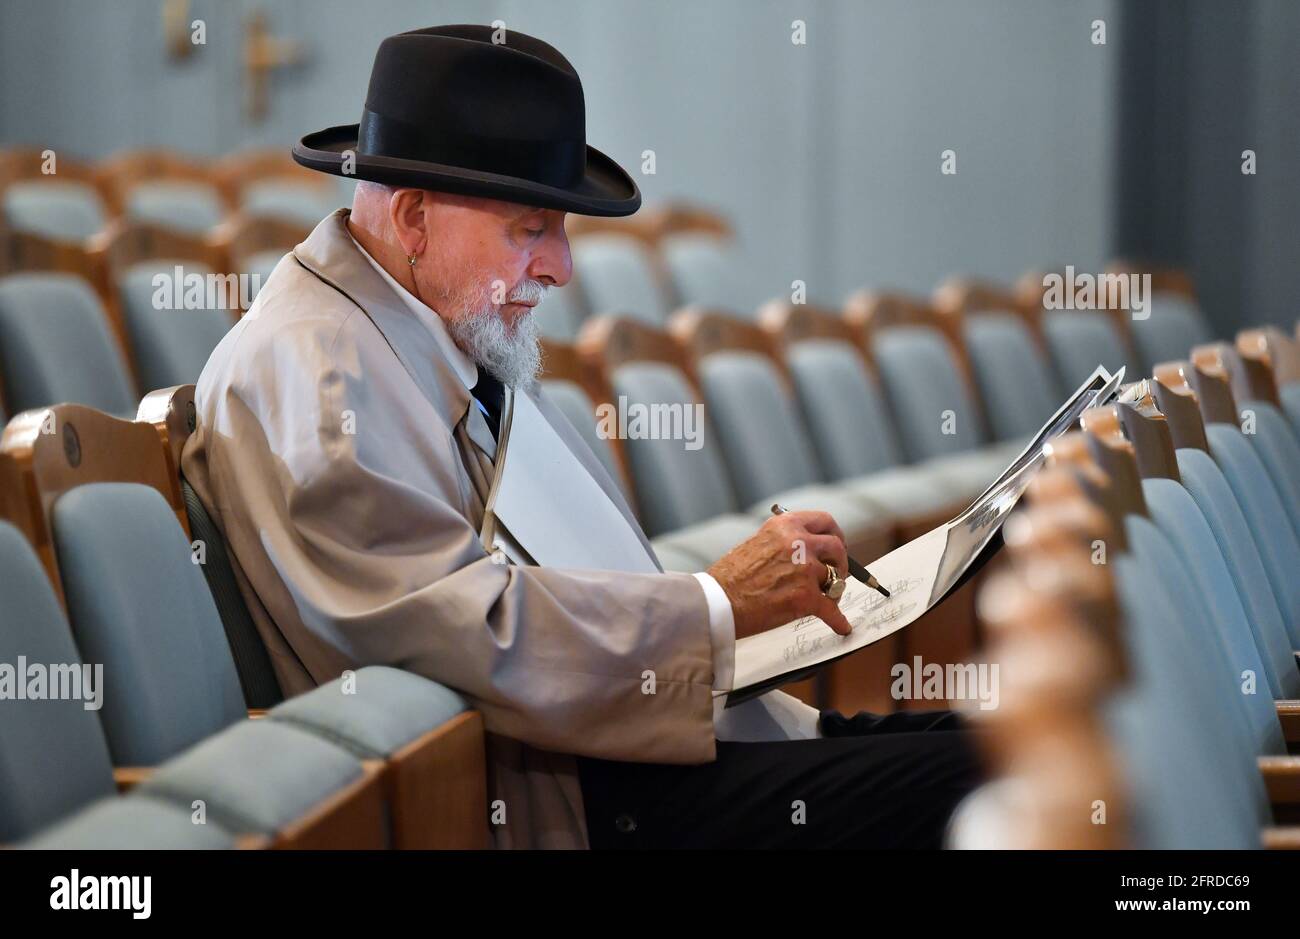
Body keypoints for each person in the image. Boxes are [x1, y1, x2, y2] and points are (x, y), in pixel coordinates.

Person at [182, 23, 981, 849]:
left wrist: (726, 608)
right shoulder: (314, 372)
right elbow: (457, 631)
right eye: (531, 228)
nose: (561, 266)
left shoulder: (436, 331)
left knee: (1020, 744)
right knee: (999, 776)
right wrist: (715, 601)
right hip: (562, 805)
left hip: (628, 748)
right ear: (415, 218)